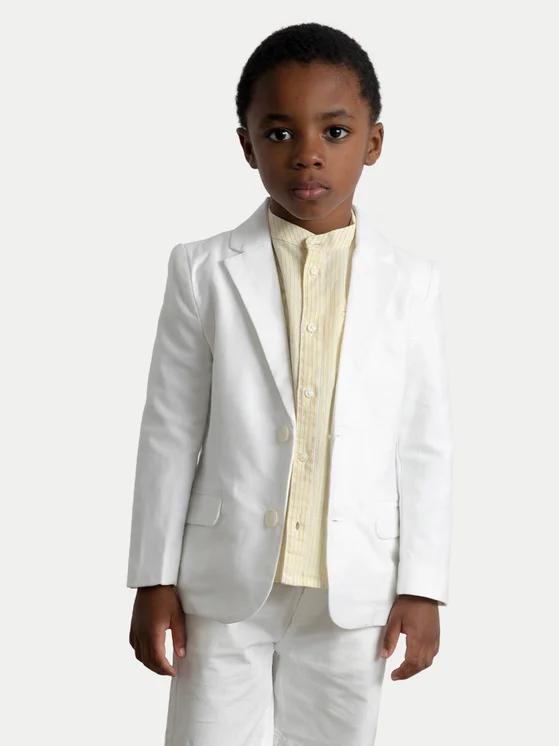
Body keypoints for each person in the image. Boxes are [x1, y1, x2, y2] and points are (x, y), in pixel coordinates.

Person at [127, 21, 454, 746]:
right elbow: (170, 429)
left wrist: (423, 584)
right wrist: (153, 576)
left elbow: (424, 443)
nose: (308, 153)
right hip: (222, 582)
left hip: (354, 586)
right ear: (247, 145)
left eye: (335, 132)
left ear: (373, 141)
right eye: (279, 133)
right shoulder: (202, 271)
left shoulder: (412, 283)